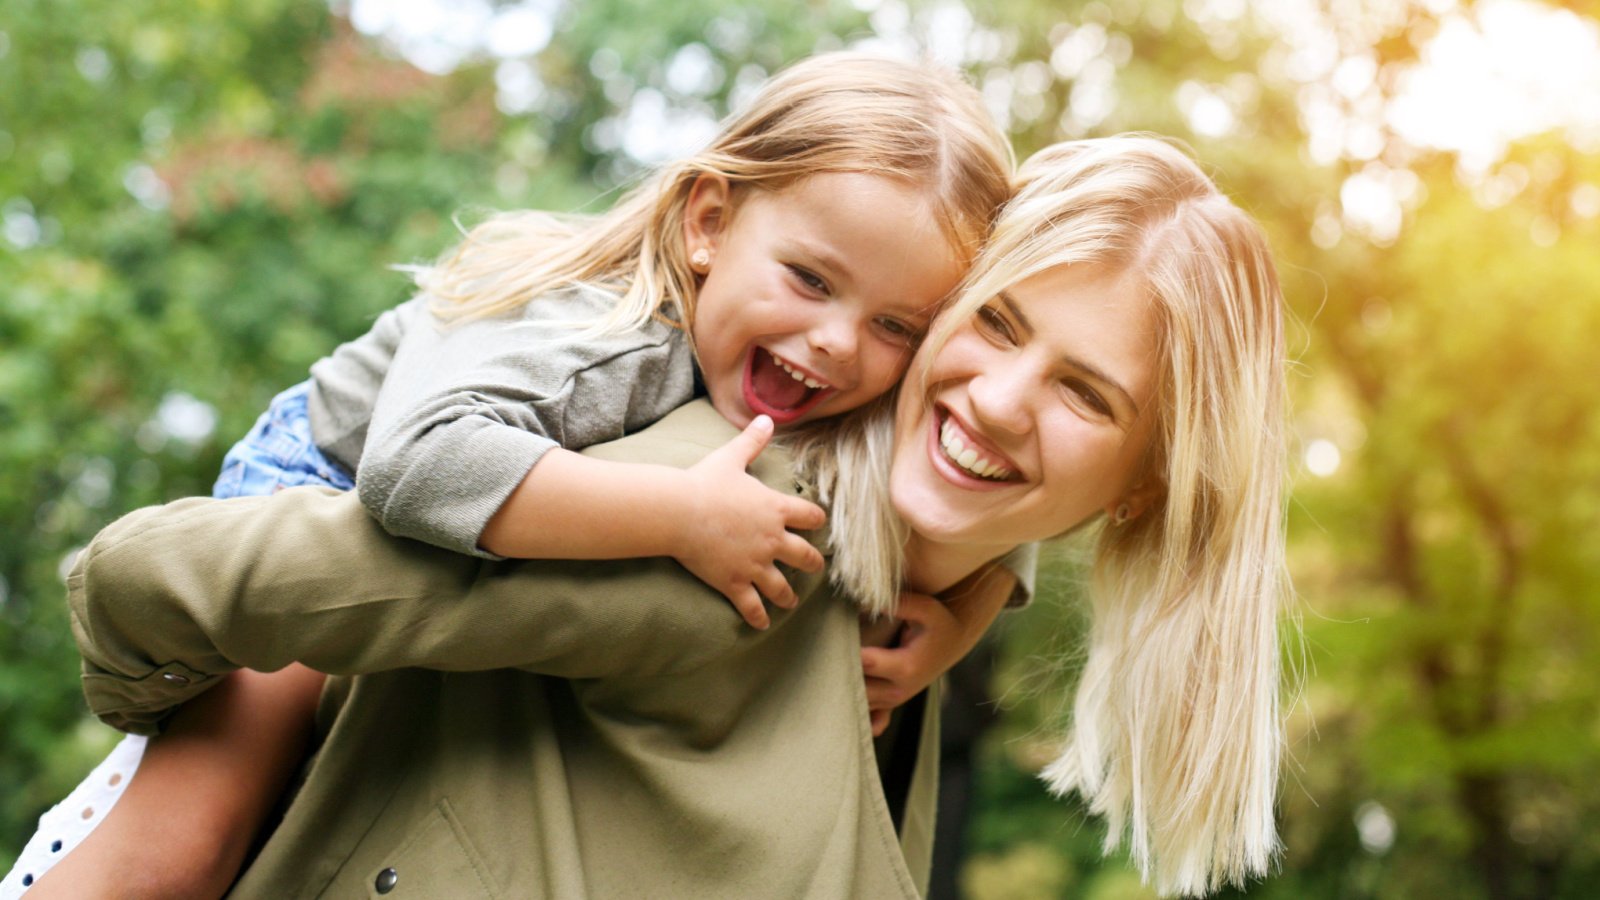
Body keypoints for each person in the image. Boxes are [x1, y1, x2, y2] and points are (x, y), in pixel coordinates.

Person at [36, 135, 1290, 898]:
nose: (1001, 399)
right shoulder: (723, 522)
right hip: (346, 459)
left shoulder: (906, 615)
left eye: (1083, 393)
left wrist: (967, 609)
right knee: (167, 856)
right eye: (1000, 325)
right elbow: (165, 571)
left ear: (1142, 488)